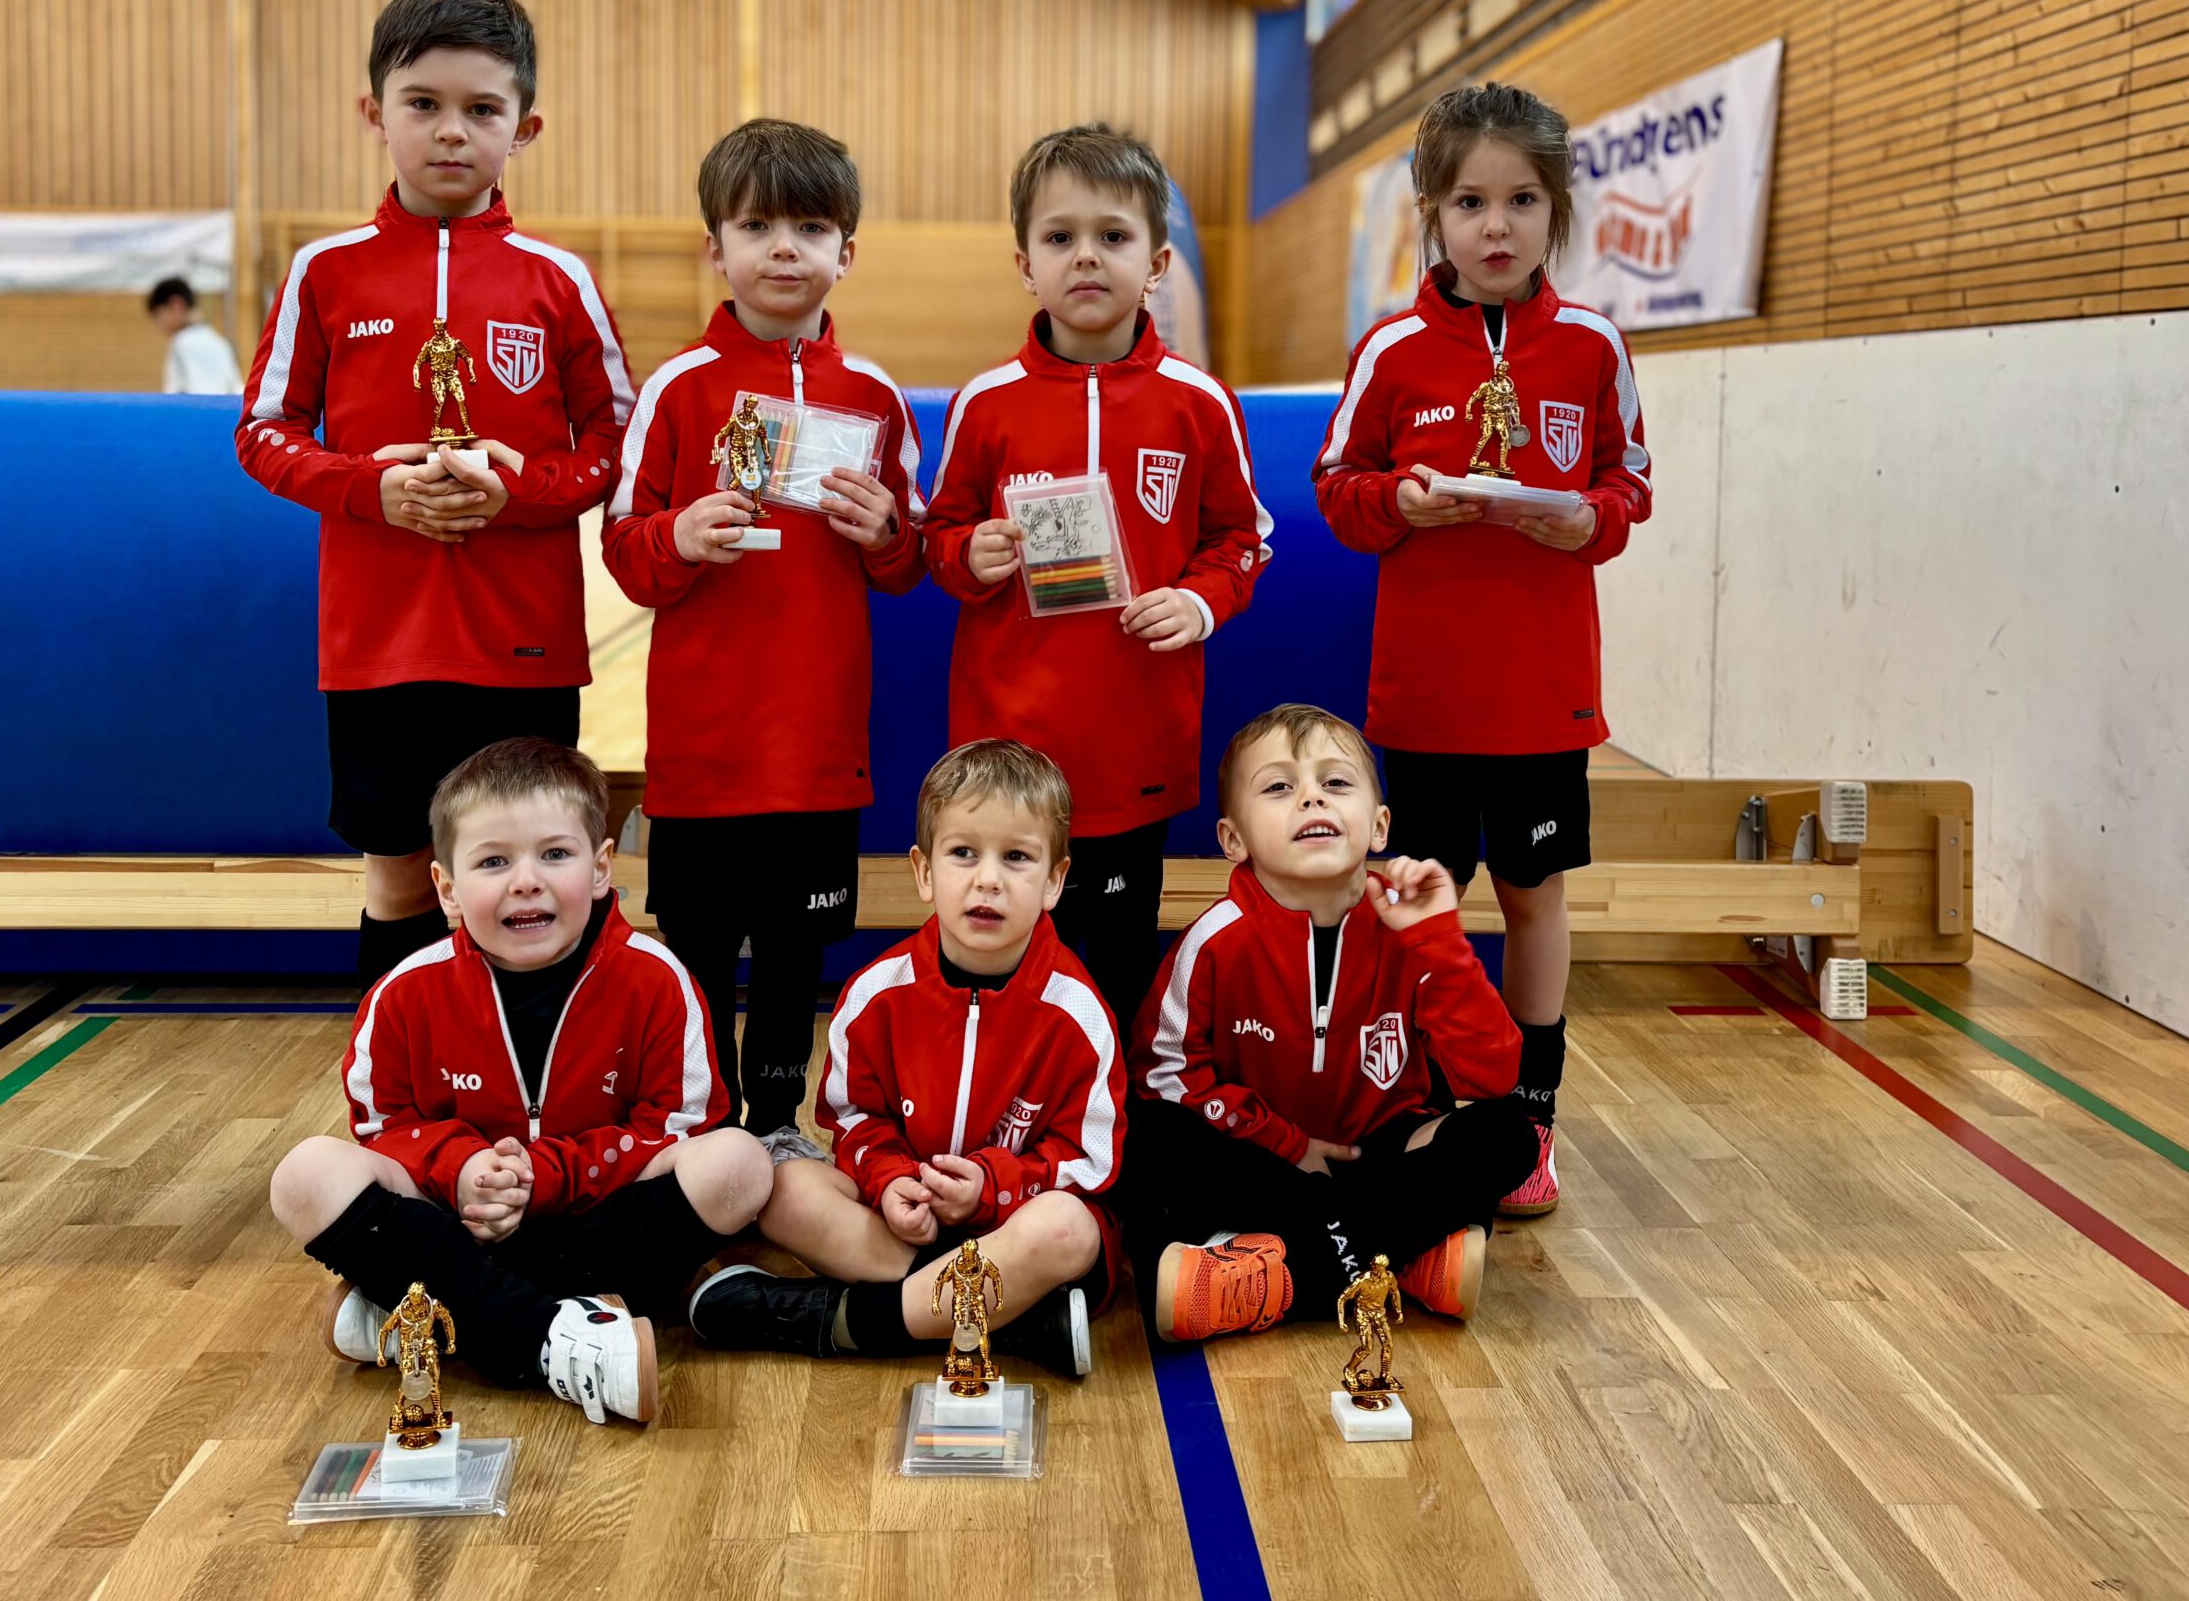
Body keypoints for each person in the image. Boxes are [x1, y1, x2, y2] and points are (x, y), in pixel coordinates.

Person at [234, 0, 638, 993]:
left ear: (525, 126)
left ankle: (547, 1096)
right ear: (375, 113)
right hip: (376, 646)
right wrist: (377, 490)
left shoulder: (561, 279)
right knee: (401, 876)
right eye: (423, 104)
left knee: (536, 879)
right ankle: (398, 1096)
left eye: (481, 110)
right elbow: (261, 432)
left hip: (524, 641)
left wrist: (527, 494)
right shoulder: (324, 272)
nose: (451, 132)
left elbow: (618, 436)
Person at [1311, 82, 1655, 1216]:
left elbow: (1629, 489)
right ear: (1432, 211)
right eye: (1470, 200)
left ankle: (1532, 1118)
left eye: (1520, 200)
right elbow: (1336, 490)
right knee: (1418, 897)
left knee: (1536, 897)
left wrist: (1580, 521)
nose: (1496, 226)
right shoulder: (1392, 348)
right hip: (1424, 702)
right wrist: (1398, 505)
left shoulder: (1597, 347)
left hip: (1544, 698)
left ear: (1556, 210)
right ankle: (1418, 1102)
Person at [267, 738, 772, 1425]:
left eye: (555, 854)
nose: (526, 880)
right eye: (494, 861)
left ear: (601, 870)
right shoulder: (405, 993)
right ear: (446, 887)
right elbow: (381, 1126)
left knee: (740, 1163)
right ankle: (548, 1339)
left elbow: (681, 1125)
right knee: (304, 1173)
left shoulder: (656, 978)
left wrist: (545, 1173)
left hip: (598, 1230)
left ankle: (438, 1312)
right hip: (465, 1224)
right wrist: (463, 1166)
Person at [601, 118, 924, 1159]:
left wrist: (885, 533)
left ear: (847, 252)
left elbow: (908, 560)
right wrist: (680, 535)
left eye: (810, 225)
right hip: (704, 751)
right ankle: (695, 1127)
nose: (783, 247)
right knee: (695, 949)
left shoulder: (873, 399)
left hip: (820, 750)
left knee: (794, 954)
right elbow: (625, 551)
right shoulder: (678, 388)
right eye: (756, 224)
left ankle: (777, 1128)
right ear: (715, 247)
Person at [921, 123, 1273, 1024]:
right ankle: (1001, 1123)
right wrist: (972, 554)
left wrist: (1198, 601)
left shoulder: (1199, 401)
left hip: (1133, 746)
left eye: (1112, 237)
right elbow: (940, 536)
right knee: (997, 951)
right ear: (1024, 262)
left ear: (1156, 261)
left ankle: (1103, 1139)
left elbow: (1243, 538)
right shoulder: (985, 401)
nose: (1087, 258)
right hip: (1006, 745)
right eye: (1060, 237)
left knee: (1113, 959)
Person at [685, 741, 1122, 1377]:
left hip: (1014, 1230)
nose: (988, 879)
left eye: (1018, 857)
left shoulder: (1078, 1013)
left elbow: (1092, 1162)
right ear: (923, 872)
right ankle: (1016, 1319)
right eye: (963, 853)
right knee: (781, 1186)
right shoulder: (875, 994)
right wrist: (891, 1182)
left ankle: (841, 1322)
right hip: (903, 1229)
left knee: (1069, 1230)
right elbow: (852, 1121)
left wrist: (992, 1189)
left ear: (1055, 880)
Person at [1123, 705, 1537, 1342]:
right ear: (1233, 840)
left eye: (1335, 783)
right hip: (1263, 1164)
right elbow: (1164, 1078)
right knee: (1149, 1141)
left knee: (1507, 1133)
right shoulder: (1213, 943)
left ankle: (1276, 1277)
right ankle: (1402, 1255)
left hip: (1382, 1154)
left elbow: (1492, 1075)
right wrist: (1288, 1145)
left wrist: (1442, 945)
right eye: (1280, 787)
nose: (1311, 796)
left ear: (1378, 826)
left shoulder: (1414, 932)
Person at [147, 275, 244, 395]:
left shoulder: (182, 343)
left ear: (176, 305)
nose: (159, 325)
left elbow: (187, 397)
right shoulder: (220, 342)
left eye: (159, 316)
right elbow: (237, 390)